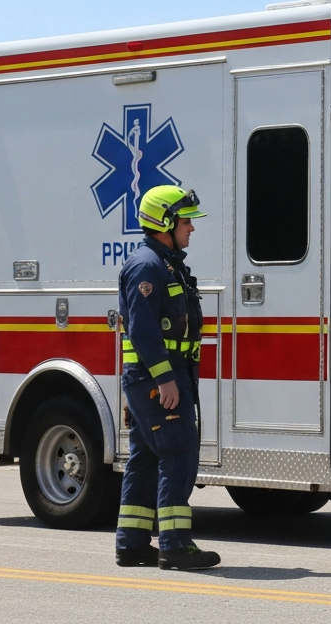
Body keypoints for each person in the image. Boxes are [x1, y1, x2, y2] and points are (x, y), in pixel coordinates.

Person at [113, 185, 220, 571]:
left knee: (144, 457)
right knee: (178, 454)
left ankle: (132, 544)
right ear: (165, 222)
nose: (191, 228)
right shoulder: (147, 266)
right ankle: (174, 545)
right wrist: (164, 380)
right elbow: (141, 332)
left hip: (158, 378)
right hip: (161, 378)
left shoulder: (166, 263)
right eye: (186, 220)